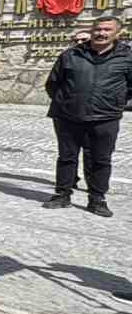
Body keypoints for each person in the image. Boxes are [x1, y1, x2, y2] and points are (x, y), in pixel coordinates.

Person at [43, 17, 132, 216]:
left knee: (100, 160)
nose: (101, 33)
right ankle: (62, 195)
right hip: (68, 117)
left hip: (105, 118)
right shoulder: (71, 55)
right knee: (66, 158)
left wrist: (114, 102)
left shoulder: (127, 57)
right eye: (98, 29)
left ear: (118, 33)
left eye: (107, 30)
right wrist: (67, 102)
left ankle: (97, 199)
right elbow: (53, 83)